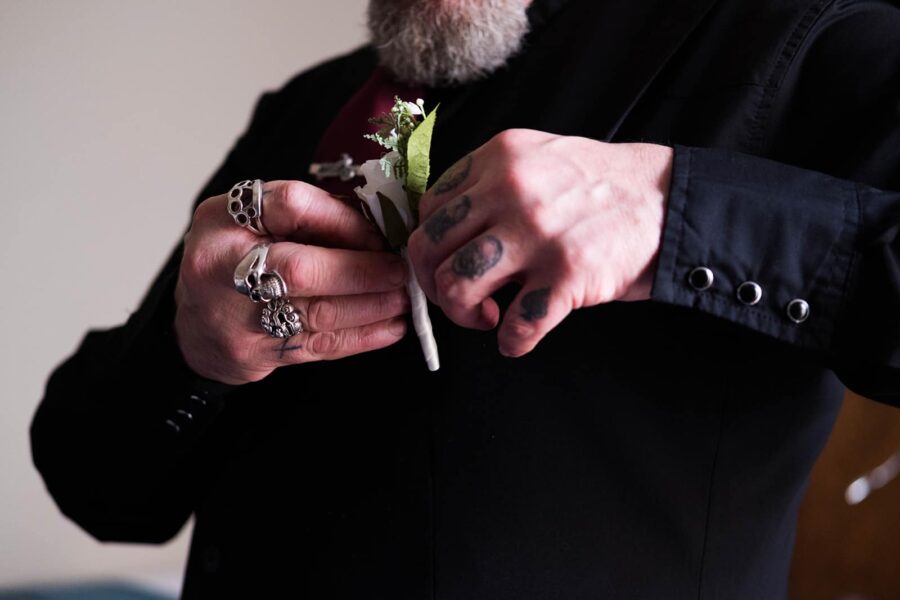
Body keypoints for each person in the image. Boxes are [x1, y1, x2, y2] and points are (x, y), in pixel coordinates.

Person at [31, 0, 900, 597]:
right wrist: (190, 350)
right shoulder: (301, 109)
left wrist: (670, 205)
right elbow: (93, 485)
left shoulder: (806, 36)